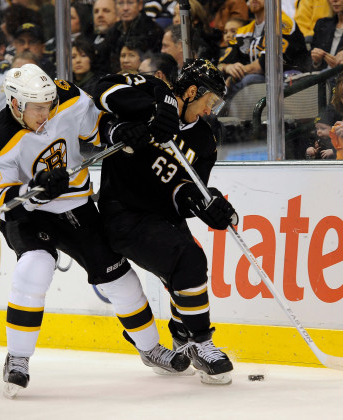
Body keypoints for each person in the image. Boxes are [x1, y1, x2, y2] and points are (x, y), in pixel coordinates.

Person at [0, 63, 190, 398]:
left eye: (49, 106)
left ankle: (150, 348)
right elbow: (0, 200)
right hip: (30, 215)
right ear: (15, 104)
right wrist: (36, 190)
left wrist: (120, 132)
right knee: (34, 268)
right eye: (37, 109)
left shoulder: (67, 97)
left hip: (76, 205)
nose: (46, 114)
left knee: (119, 278)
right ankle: (17, 359)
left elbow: (97, 127)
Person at [92, 59, 236, 385]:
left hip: (162, 215)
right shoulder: (150, 89)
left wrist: (205, 204)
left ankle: (183, 334)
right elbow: (102, 88)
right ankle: (200, 342)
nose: (209, 110)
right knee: (188, 259)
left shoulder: (205, 139)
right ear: (191, 91)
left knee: (189, 265)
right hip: (124, 211)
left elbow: (188, 190)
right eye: (209, 101)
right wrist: (156, 108)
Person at [98, 0, 164, 74]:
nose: (125, 8)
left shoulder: (153, 30)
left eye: (130, 2)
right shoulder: (113, 31)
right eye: (121, 3)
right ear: (115, 6)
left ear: (140, 5)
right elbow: (103, 63)